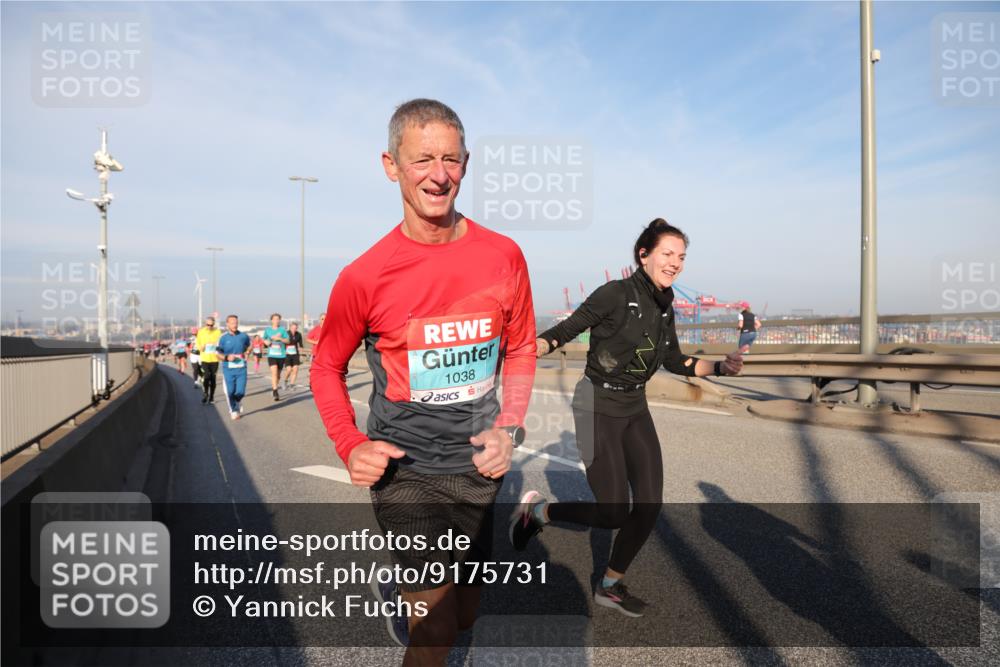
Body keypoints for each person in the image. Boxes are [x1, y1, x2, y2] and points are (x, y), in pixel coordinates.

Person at [311, 99, 536, 662]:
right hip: (406, 469)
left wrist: (509, 426)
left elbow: (523, 346)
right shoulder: (364, 276)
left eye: (452, 160)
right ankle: (414, 606)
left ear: (466, 164)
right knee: (435, 632)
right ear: (391, 165)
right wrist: (350, 443)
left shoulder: (505, 255)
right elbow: (324, 366)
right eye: (423, 160)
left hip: (478, 465)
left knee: (464, 615)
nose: (439, 175)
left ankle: (397, 596)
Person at [512, 218, 746, 618]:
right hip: (596, 405)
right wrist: (533, 346)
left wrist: (722, 368)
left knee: (650, 505)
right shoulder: (615, 294)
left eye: (681, 257)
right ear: (644, 255)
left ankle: (609, 584)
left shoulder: (665, 304)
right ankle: (539, 513)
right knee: (614, 511)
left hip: (634, 406)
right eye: (667, 254)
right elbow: (567, 330)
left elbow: (677, 360)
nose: (675, 263)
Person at [217, 314, 251, 420]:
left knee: (240, 392)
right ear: (227, 324)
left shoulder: (243, 336)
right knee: (230, 392)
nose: (234, 324)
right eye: (232, 322)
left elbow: (249, 346)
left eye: (236, 322)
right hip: (228, 369)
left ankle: (237, 401)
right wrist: (227, 357)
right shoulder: (223, 338)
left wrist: (248, 352)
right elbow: (217, 354)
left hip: (241, 368)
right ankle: (234, 410)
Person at [195, 316, 222, 404]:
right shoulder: (201, 332)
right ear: (205, 324)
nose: (209, 326)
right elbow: (198, 343)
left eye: (211, 325)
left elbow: (220, 344)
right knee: (206, 376)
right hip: (205, 359)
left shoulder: (217, 332)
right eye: (208, 325)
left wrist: (216, 346)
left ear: (214, 324)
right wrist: (201, 347)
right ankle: (205, 393)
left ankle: (211, 397)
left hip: (214, 359)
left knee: (213, 378)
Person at [263, 313, 288, 401]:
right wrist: (267, 341)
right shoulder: (268, 330)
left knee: (278, 376)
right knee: (274, 373)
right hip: (272, 355)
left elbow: (288, 340)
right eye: (275, 319)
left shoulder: (282, 330)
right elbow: (264, 339)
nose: (276, 321)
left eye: (278, 319)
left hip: (281, 355)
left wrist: (280, 338)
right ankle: (275, 391)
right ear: (271, 320)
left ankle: (275, 387)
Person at [281, 322, 304, 391]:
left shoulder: (298, 334)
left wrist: (301, 349)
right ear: (290, 327)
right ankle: (285, 381)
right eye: (293, 328)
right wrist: (283, 351)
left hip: (295, 354)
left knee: (295, 369)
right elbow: (281, 343)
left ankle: (292, 385)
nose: (294, 329)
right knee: (289, 370)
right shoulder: (285, 334)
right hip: (287, 354)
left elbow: (301, 344)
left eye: (295, 328)